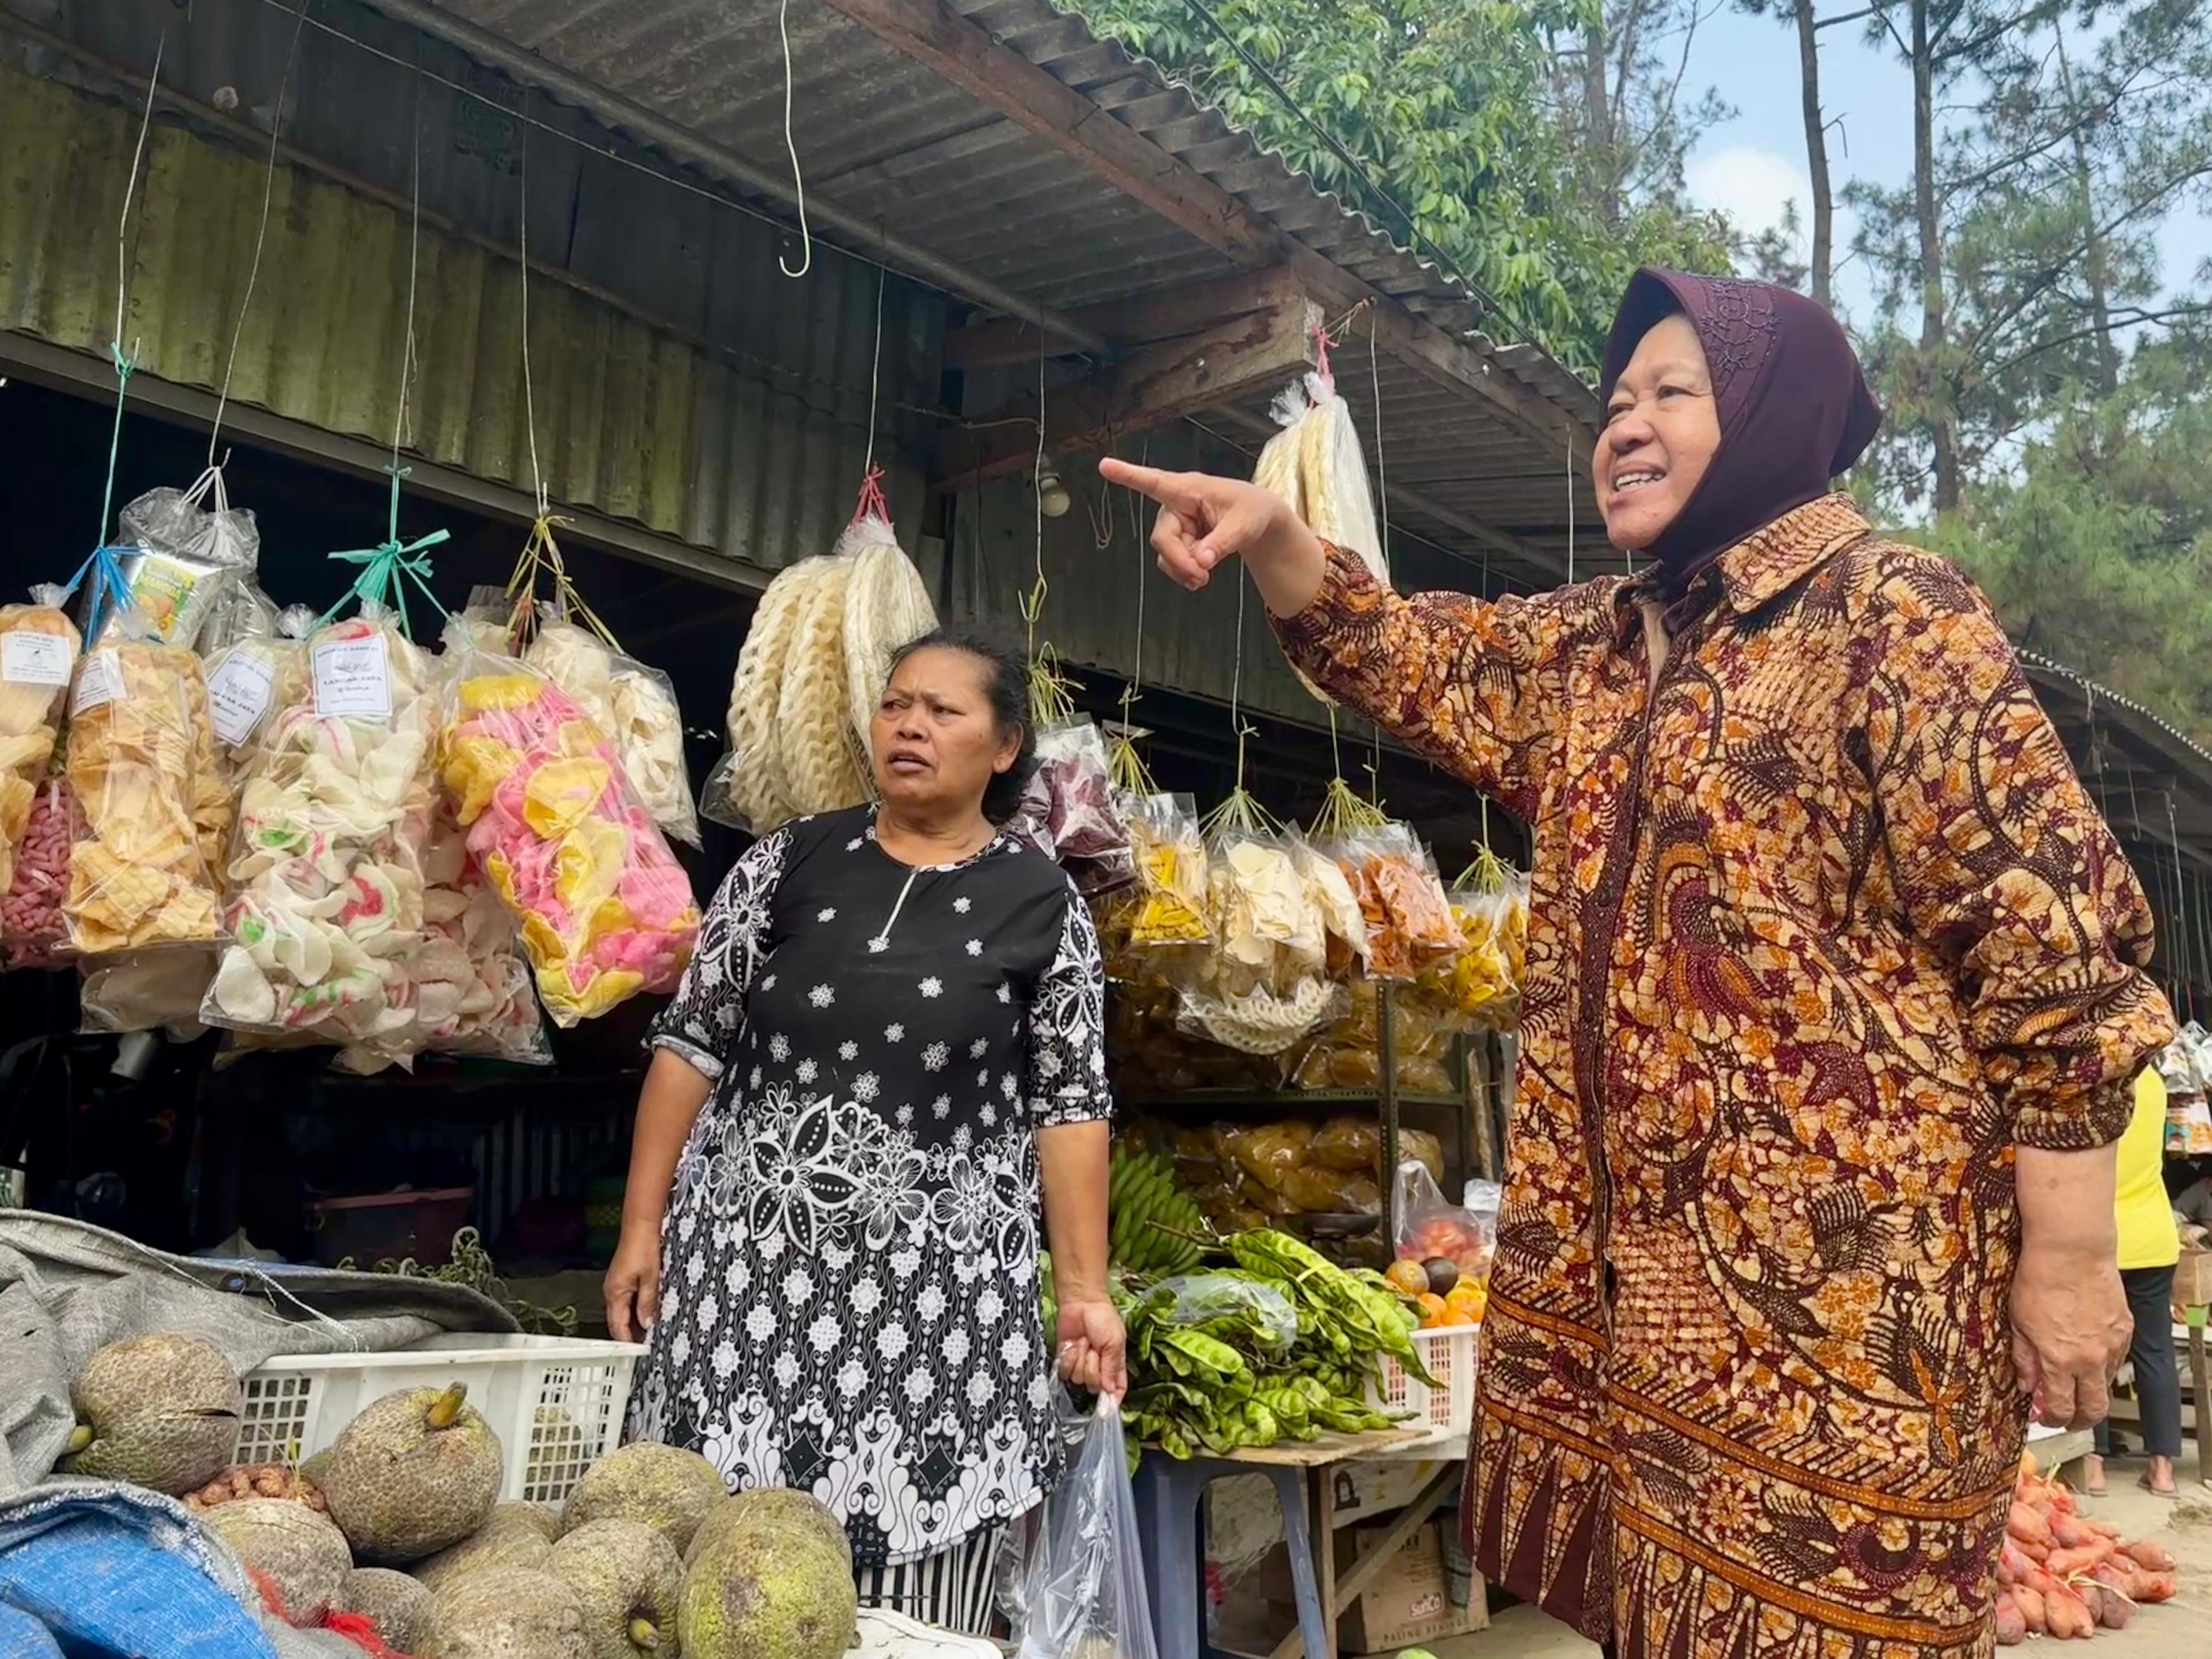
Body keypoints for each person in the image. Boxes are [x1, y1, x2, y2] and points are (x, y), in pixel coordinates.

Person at [1103, 269, 2175, 1657]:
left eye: (1673, 393)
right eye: (1614, 403)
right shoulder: (1600, 649)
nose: (1624, 425)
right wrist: (1272, 537)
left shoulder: (1886, 610)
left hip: (1847, 1327)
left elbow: (2052, 934)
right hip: (1643, 1333)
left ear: (1775, 414)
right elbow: (1414, 651)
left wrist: (2073, 1252)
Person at [605, 628, 1125, 1636]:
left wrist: (1085, 1292)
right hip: (748, 1291)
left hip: (944, 1308)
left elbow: (1072, 1105)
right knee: (727, 1582)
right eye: (896, 704)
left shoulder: (1043, 901)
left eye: (943, 711)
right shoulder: (785, 861)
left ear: (1005, 745)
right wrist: (642, 1229)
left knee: (910, 1604)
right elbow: (689, 1045)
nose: (912, 727)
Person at [2084, 1067, 2185, 1497]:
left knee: (2095, 1350)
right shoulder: (2156, 1085)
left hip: (2101, 1235)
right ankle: (2162, 1469)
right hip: (2154, 1236)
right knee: (2156, 1351)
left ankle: (2094, 1464)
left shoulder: (2093, 1085)